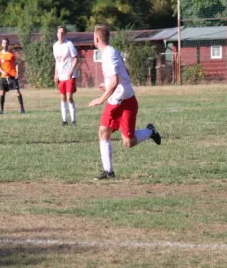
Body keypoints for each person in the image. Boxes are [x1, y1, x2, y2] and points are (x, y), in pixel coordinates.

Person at [88, 25, 161, 180]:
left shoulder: (108, 54)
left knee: (129, 142)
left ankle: (150, 131)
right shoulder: (110, 52)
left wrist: (101, 99)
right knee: (103, 131)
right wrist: (107, 85)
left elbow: (115, 81)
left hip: (126, 101)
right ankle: (108, 172)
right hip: (116, 100)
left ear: (96, 39)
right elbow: (124, 73)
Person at [53, 25, 78, 126]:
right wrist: (56, 74)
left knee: (69, 98)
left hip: (69, 76)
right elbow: (57, 61)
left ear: (65, 34)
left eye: (63, 33)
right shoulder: (55, 46)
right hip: (60, 76)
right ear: (57, 34)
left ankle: (73, 120)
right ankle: (64, 120)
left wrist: (71, 70)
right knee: (62, 98)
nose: (61, 34)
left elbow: (76, 58)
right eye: (59, 33)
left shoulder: (69, 44)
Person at [0, 37, 25, 114]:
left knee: (17, 91)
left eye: (6, 43)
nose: (5, 45)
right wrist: (2, 71)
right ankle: (1, 110)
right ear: (2, 44)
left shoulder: (11, 53)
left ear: (8, 44)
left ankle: (22, 108)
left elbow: (16, 64)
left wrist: (17, 73)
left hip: (12, 76)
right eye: (3, 43)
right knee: (2, 92)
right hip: (4, 77)